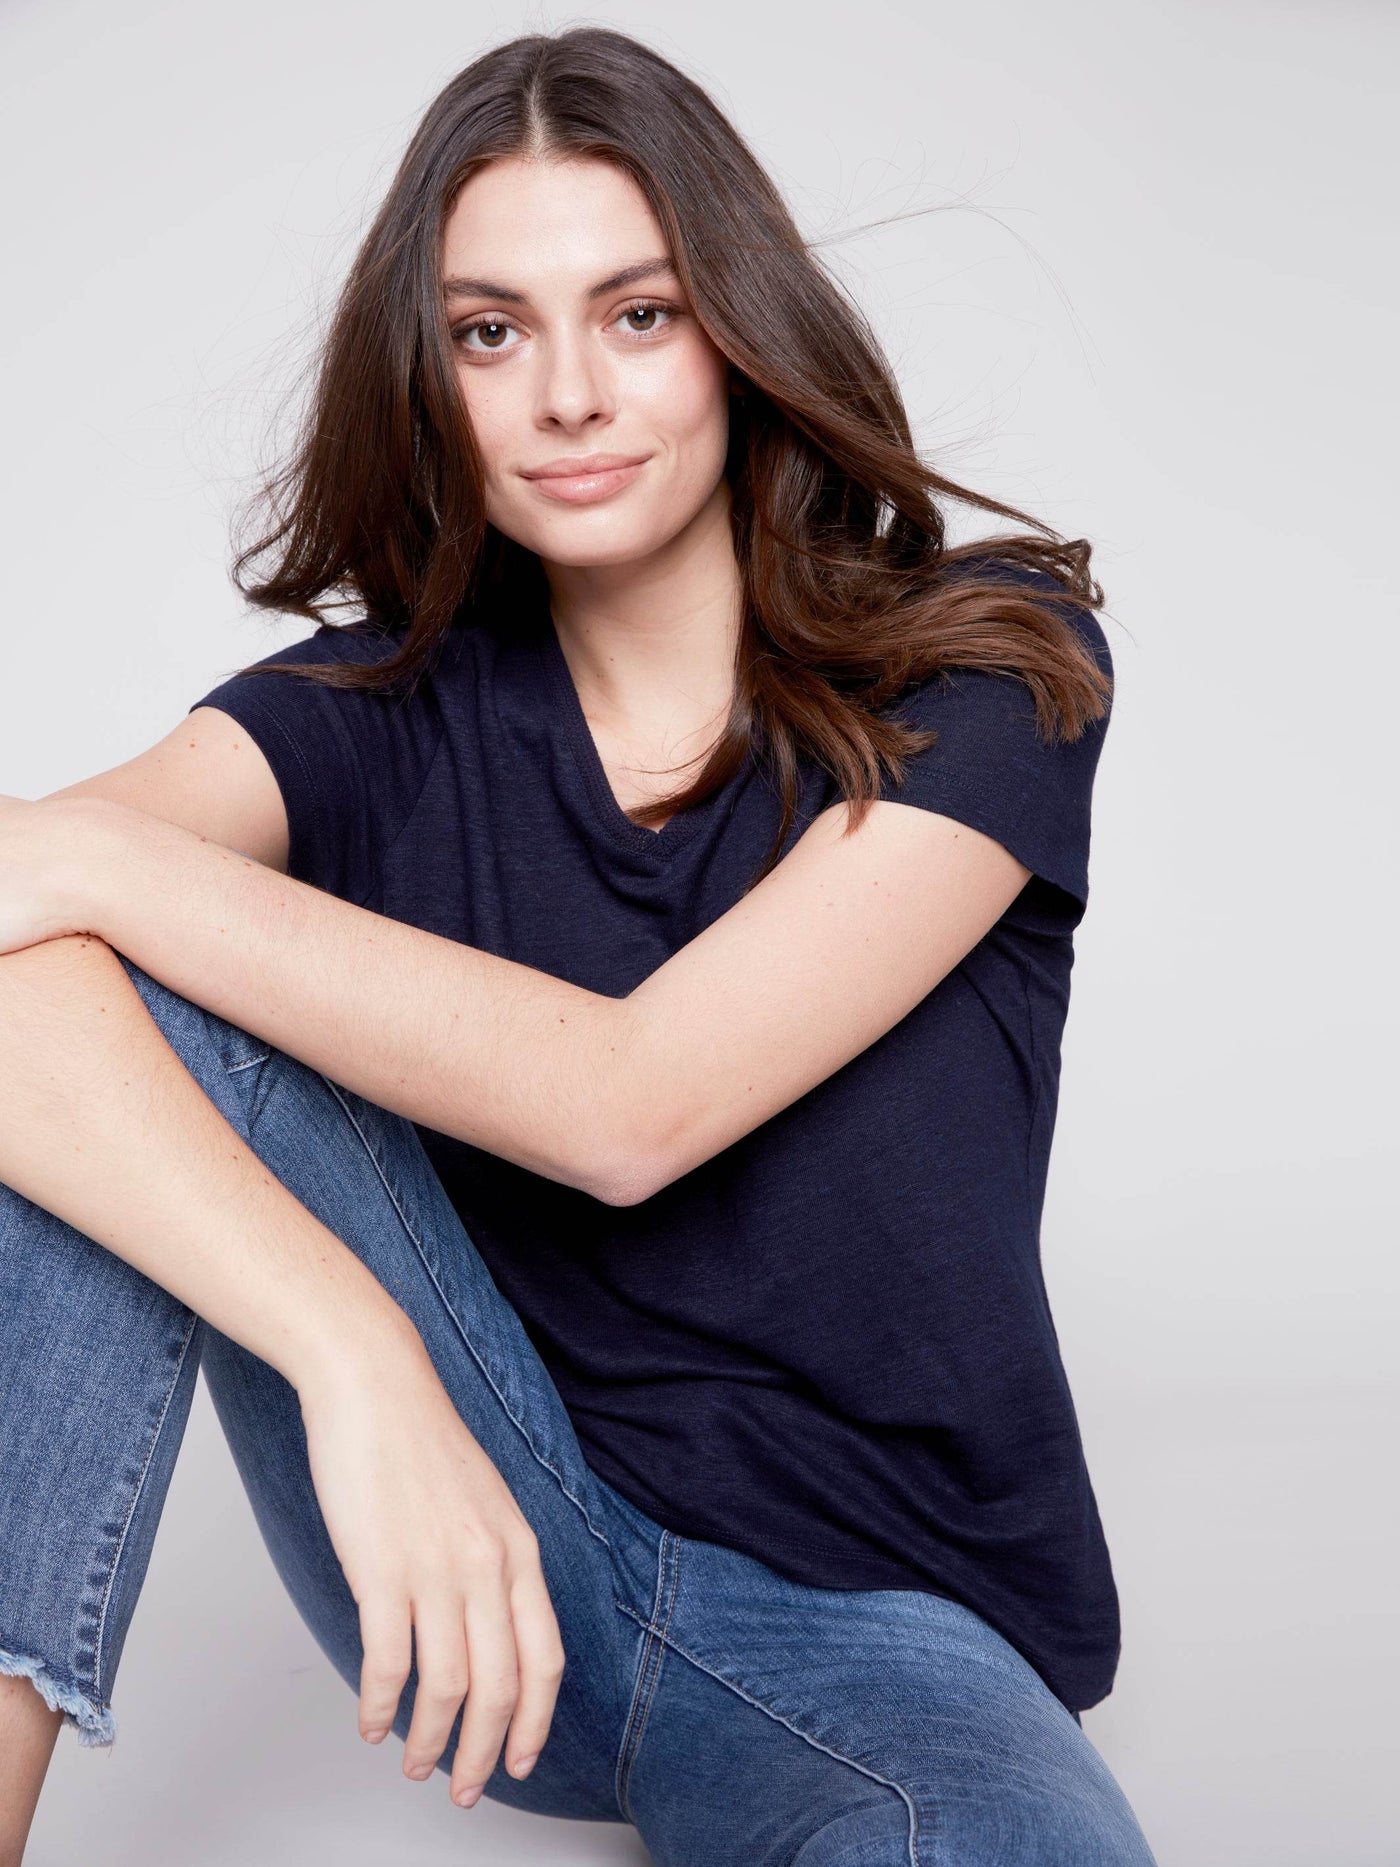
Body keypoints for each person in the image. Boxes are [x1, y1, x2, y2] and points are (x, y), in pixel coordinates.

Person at [0, 25, 1158, 1867]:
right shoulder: (363, 719)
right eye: (490, 332)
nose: (564, 395)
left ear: (739, 331)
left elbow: (634, 1105)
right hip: (497, 1546)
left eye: (637, 313)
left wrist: (93, 863)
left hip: (890, 1636)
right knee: (76, 989)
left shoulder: (980, 664)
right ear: (430, 376)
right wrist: (355, 1356)